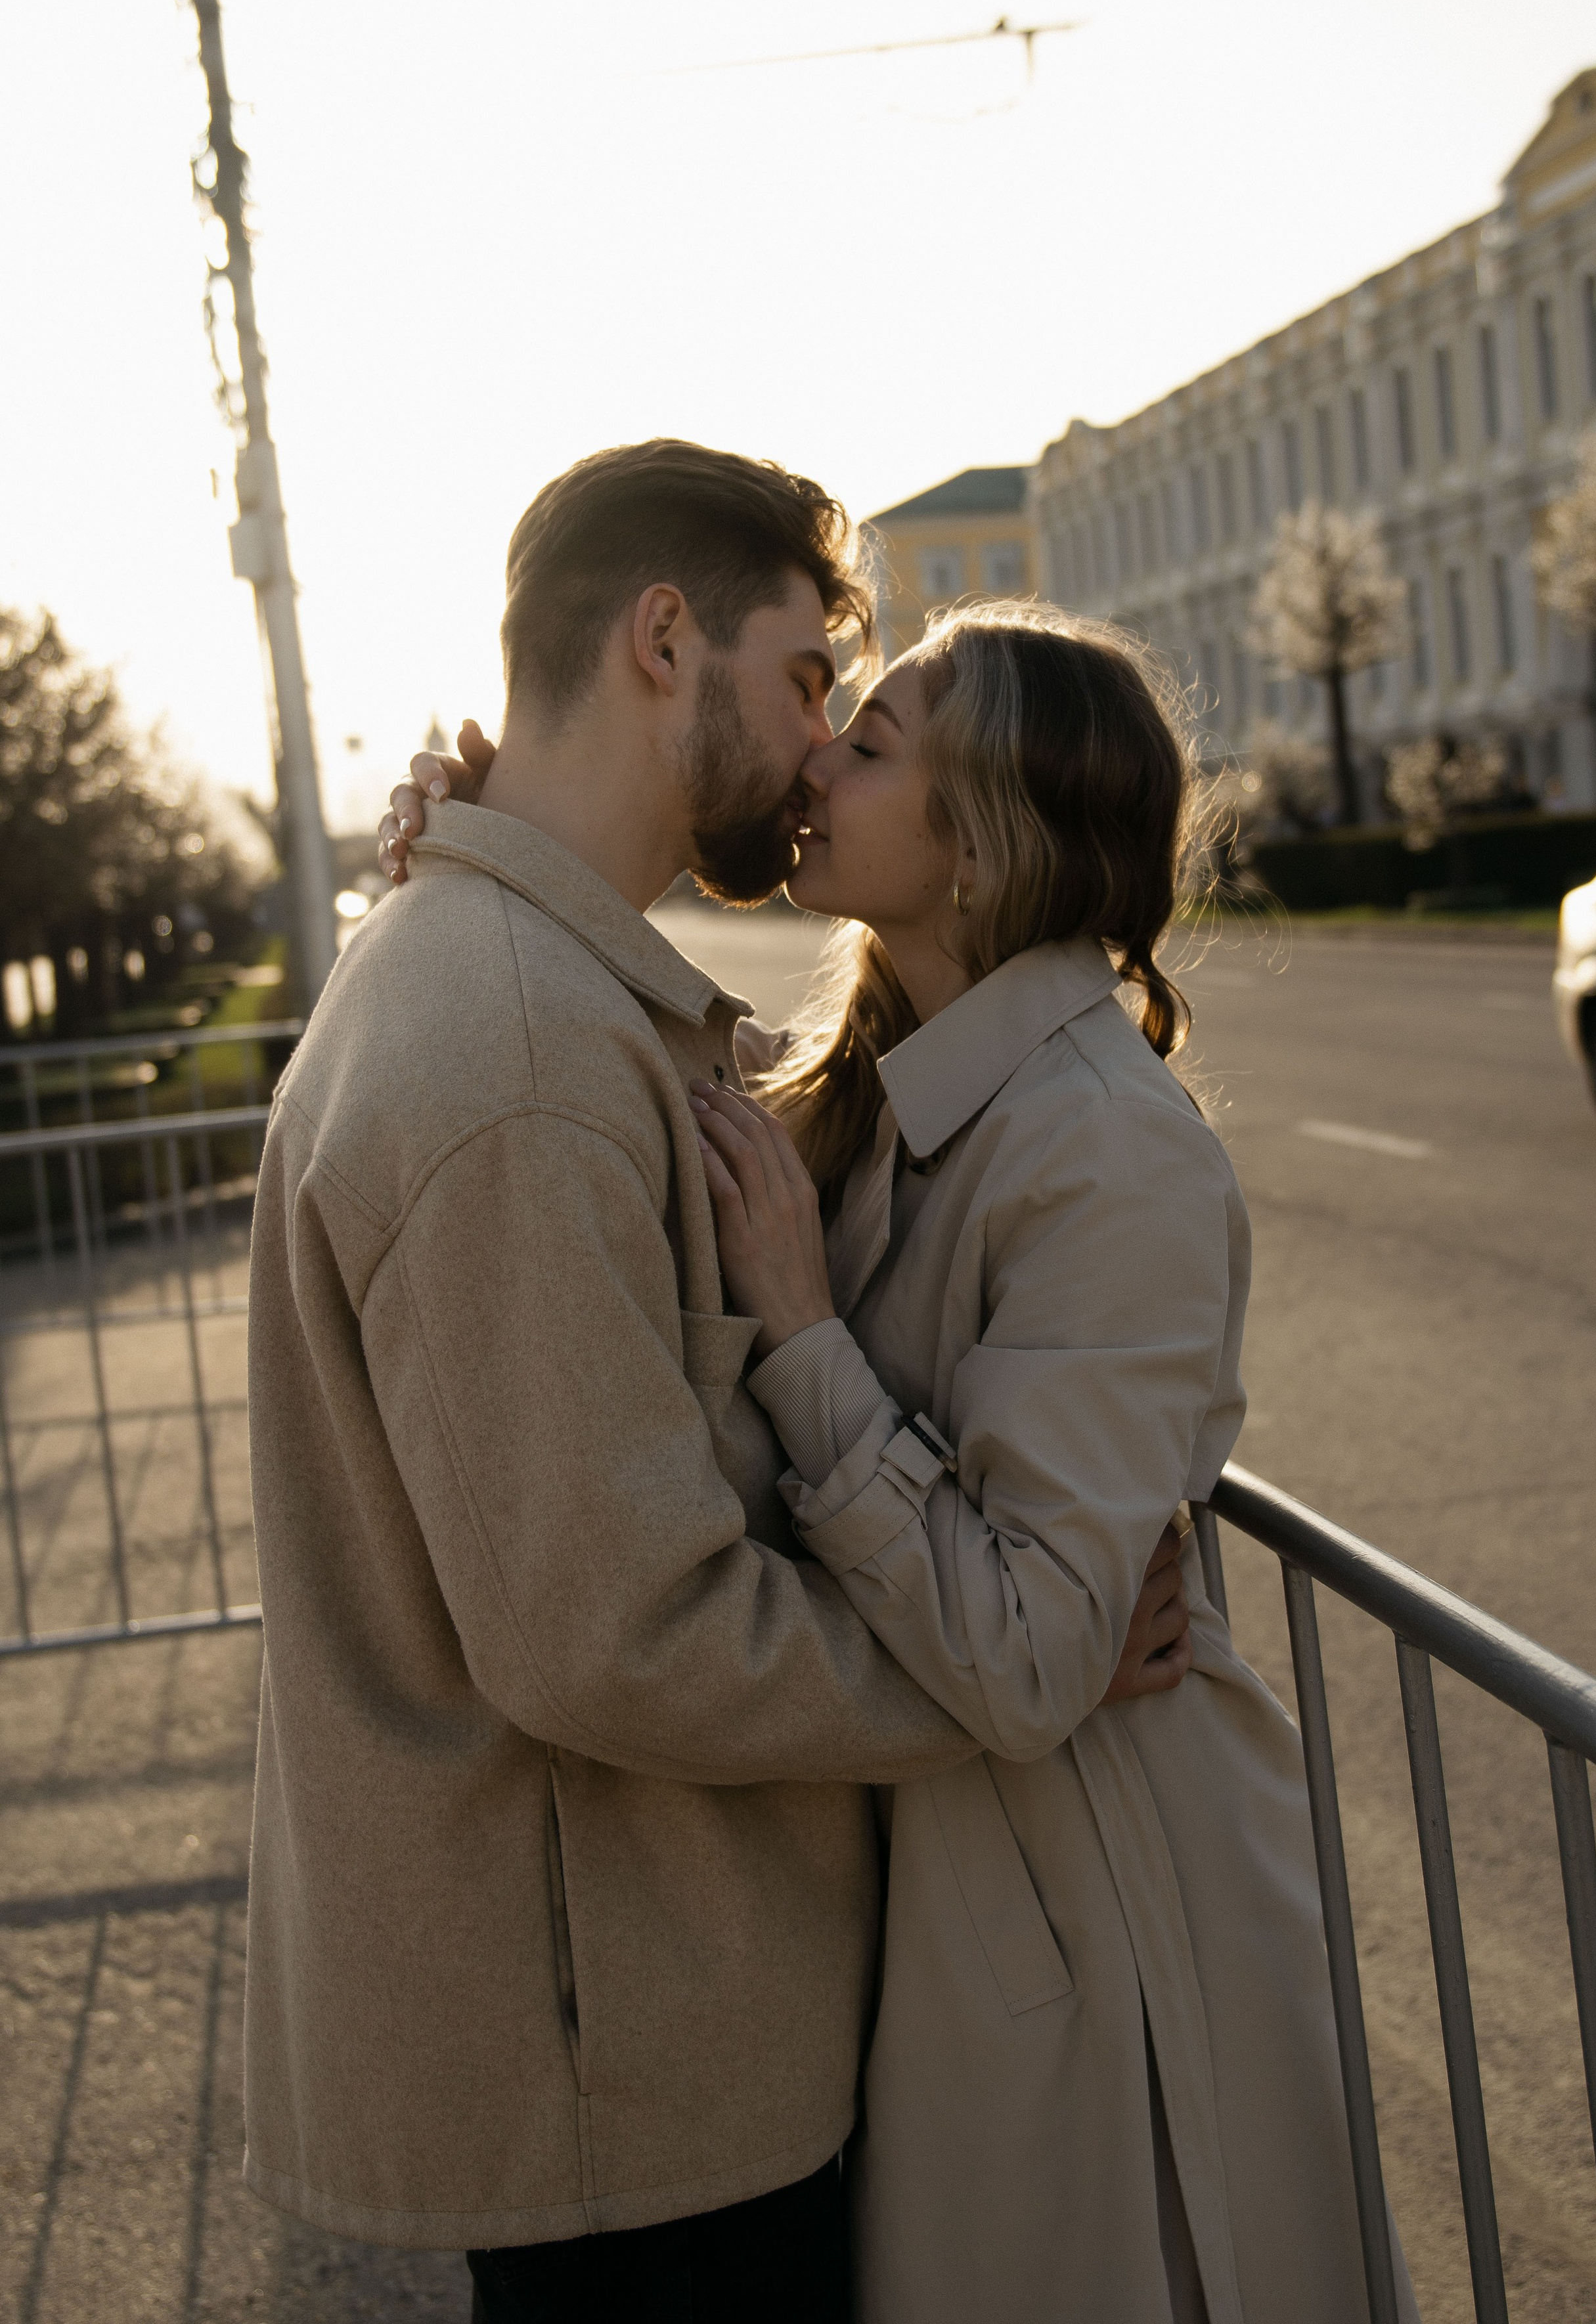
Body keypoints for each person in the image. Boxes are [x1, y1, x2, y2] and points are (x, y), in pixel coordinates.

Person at [244, 437, 1192, 2324]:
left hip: (641, 2034)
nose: (819, 741)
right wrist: (1021, 1677)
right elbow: (618, 1635)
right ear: (665, 641)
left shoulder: (522, 979)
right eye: (806, 678)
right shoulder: (514, 1049)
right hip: (634, 2081)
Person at [390, 598, 1421, 2324]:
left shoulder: (1112, 1155)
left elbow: (1029, 1653)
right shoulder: (879, 1087)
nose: (815, 760)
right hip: (959, 1869)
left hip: (1097, 1909)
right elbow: (657, 1096)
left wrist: (807, 1338)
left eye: (870, 743)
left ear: (986, 836)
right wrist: (497, 850)